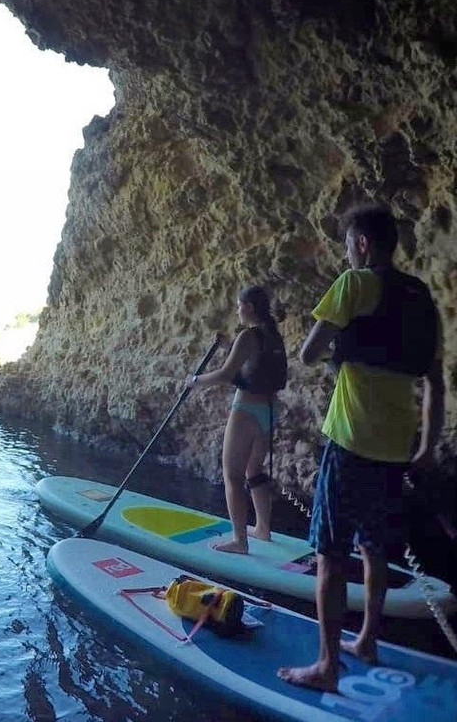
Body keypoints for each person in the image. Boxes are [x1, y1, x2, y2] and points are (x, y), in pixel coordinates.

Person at [278, 203, 444, 692]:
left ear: (364, 244)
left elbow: (308, 354)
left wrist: (343, 344)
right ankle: (367, 640)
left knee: (330, 555)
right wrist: (428, 446)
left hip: (351, 444)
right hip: (397, 451)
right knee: (374, 551)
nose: (347, 252)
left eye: (348, 243)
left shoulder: (354, 285)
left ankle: (327, 666)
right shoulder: (421, 298)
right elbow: (435, 382)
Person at [185, 286, 287, 554]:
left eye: (239, 305)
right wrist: (228, 345)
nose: (237, 310)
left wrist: (195, 381)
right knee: (254, 471)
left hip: (246, 410)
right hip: (268, 410)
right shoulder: (273, 335)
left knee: (232, 475)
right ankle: (262, 529)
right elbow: (254, 361)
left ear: (249, 307)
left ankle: (240, 542)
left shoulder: (248, 335)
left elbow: (226, 374)